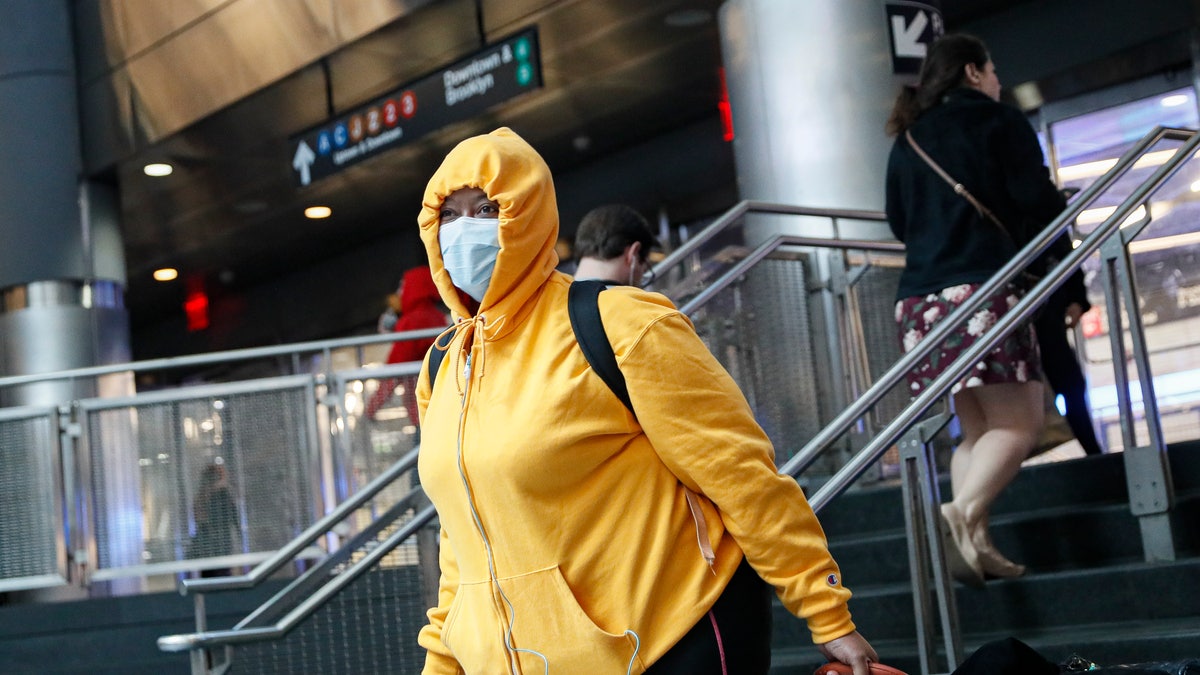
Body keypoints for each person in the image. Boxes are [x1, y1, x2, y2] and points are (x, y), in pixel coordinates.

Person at [413, 128, 877, 674]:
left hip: (669, 639)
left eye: (487, 207)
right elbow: (462, 537)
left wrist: (825, 610)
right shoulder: (446, 365)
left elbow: (739, 473)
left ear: (527, 212)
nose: (465, 230)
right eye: (450, 214)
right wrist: (444, 661)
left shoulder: (621, 321)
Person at [884, 34, 1069, 585]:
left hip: (921, 302)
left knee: (977, 430)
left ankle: (974, 544)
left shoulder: (909, 137)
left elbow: (898, 221)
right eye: (992, 70)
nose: (997, 81)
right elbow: (1036, 199)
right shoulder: (997, 121)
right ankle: (959, 513)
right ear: (971, 71)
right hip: (983, 290)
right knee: (1023, 423)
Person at [364, 265, 450, 422]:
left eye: (402, 287)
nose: (399, 293)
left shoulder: (412, 321)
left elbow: (395, 368)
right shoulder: (438, 317)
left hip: (424, 414)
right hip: (441, 408)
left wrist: (370, 409)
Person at [572, 203, 659, 287]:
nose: (642, 275)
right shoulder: (636, 301)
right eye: (644, 268)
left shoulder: (560, 297)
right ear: (633, 254)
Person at [190, 463, 237, 578]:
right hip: (217, 545)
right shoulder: (220, 495)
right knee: (220, 578)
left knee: (211, 578)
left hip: (211, 545)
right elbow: (232, 517)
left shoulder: (205, 495)